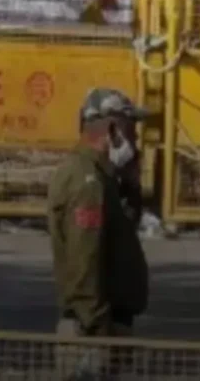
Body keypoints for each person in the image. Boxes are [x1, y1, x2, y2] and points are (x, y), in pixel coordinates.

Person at [47, 88, 148, 357]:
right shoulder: (87, 181)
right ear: (113, 130)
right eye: (131, 128)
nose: (136, 138)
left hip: (103, 327)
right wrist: (100, 332)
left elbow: (124, 232)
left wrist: (130, 184)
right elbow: (84, 262)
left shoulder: (104, 178)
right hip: (92, 334)